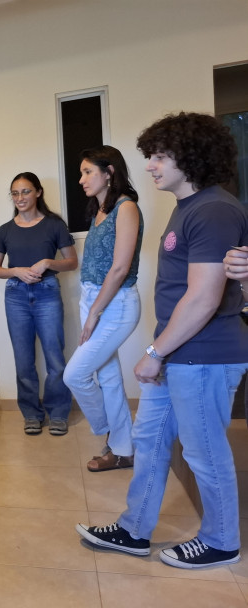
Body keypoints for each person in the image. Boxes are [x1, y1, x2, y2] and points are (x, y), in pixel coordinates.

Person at [77, 112, 248, 569]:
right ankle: (134, 531)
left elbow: (204, 297)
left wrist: (155, 353)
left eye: (158, 156)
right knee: (150, 440)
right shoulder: (189, 207)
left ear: (188, 157)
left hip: (203, 358)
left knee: (204, 450)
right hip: (179, 355)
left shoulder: (213, 209)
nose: (150, 166)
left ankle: (221, 540)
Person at [63, 146, 143, 469]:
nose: (81, 179)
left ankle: (111, 435)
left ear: (109, 172)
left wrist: (94, 312)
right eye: (81, 173)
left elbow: (120, 268)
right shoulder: (98, 209)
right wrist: (90, 306)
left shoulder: (127, 207)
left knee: (75, 374)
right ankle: (124, 450)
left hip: (115, 304)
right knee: (108, 378)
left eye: (87, 172)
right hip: (93, 299)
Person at [0, 172, 77, 435]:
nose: (20, 198)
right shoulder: (5, 230)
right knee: (23, 360)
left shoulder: (54, 225)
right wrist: (15, 271)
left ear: (38, 192)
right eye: (15, 193)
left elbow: (72, 262)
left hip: (47, 292)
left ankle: (59, 412)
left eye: (25, 192)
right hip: (16, 295)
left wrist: (49, 263)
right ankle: (31, 413)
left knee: (54, 357)